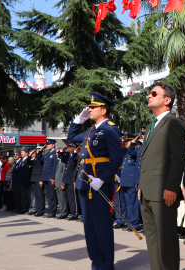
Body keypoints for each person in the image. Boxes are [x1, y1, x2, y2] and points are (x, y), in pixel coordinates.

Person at [67, 92, 122, 270]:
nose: (89, 110)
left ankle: (106, 265)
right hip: (85, 183)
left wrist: (103, 180)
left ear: (103, 110)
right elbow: (71, 139)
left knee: (102, 226)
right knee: (89, 227)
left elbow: (116, 159)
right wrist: (78, 121)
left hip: (99, 184)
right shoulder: (91, 130)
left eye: (93, 108)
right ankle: (96, 262)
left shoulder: (110, 129)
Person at [138, 83, 185, 270]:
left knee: (166, 240)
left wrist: (172, 187)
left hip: (162, 191)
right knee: (152, 239)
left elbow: (177, 157)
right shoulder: (152, 124)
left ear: (167, 100)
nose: (149, 96)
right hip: (148, 190)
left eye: (154, 93)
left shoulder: (173, 123)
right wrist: (141, 185)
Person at [120, 134, 142, 232]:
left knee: (133, 204)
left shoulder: (135, 152)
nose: (125, 143)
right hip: (125, 182)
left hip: (131, 182)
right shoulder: (127, 153)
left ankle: (134, 223)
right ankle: (129, 222)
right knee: (128, 203)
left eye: (127, 142)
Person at [37, 139, 58, 218]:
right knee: (48, 196)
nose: (47, 145)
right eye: (47, 144)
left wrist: (53, 177)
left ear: (53, 145)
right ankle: (50, 211)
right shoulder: (47, 154)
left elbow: (55, 167)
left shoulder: (55, 154)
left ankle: (53, 211)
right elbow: (39, 160)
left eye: (49, 144)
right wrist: (40, 151)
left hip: (50, 178)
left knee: (52, 195)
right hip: (45, 177)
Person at [61, 143, 80, 220]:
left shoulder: (76, 156)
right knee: (70, 197)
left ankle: (75, 213)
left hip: (72, 179)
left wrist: (75, 152)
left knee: (74, 198)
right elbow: (62, 158)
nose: (68, 148)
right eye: (68, 147)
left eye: (70, 147)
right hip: (67, 179)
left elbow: (76, 166)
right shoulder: (68, 156)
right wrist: (62, 150)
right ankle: (72, 212)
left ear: (75, 148)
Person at [29, 146, 45, 217]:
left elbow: (42, 169)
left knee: (40, 195)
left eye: (39, 149)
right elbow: (28, 162)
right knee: (36, 195)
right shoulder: (35, 159)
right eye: (37, 149)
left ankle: (40, 211)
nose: (38, 151)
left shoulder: (42, 157)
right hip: (34, 179)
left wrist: (42, 179)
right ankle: (38, 210)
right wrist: (30, 154)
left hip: (39, 179)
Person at [54, 148, 68, 219]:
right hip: (57, 183)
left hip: (61, 183)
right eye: (56, 152)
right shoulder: (58, 161)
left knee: (62, 199)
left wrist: (63, 183)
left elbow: (64, 173)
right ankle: (61, 211)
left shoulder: (63, 162)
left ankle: (64, 212)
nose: (57, 154)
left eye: (58, 152)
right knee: (59, 199)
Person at [11, 148, 22, 213]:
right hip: (14, 182)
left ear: (19, 155)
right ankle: (16, 207)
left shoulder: (20, 162)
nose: (15, 155)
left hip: (18, 182)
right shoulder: (16, 162)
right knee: (15, 196)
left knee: (18, 196)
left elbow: (20, 173)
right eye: (14, 154)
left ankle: (19, 208)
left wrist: (18, 182)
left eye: (17, 154)